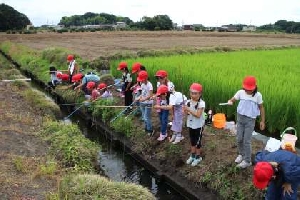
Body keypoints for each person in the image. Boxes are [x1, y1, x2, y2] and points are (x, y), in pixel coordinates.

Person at [227, 76, 265, 168]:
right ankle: (241, 154)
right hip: (240, 119)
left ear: (255, 87)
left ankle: (247, 160)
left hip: (250, 121)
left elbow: (261, 107)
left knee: (246, 141)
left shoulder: (258, 95)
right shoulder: (240, 93)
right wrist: (230, 101)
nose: (248, 91)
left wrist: (262, 121)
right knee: (239, 139)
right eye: (246, 89)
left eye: (250, 89)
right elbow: (232, 99)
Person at [184, 83, 205, 167]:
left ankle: (198, 157)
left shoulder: (201, 103)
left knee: (198, 142)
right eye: (192, 93)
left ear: (200, 94)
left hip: (198, 125)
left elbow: (198, 115)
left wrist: (188, 109)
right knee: (192, 141)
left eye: (195, 93)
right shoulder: (188, 102)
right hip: (190, 124)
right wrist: (185, 110)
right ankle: (192, 155)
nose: (193, 95)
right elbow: (186, 113)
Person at [135, 70, 154, 136]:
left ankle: (150, 130)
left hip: (148, 103)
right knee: (144, 116)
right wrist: (138, 98)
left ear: (146, 78)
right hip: (142, 103)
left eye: (141, 79)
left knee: (147, 117)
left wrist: (144, 99)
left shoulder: (150, 85)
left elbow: (151, 95)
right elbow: (142, 93)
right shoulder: (142, 84)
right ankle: (146, 128)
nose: (140, 81)